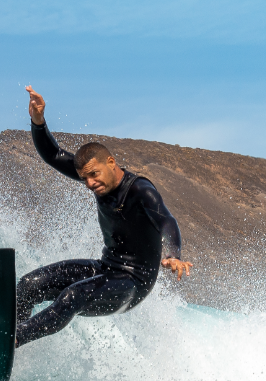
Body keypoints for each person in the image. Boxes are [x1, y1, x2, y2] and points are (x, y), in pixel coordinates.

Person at [14, 86, 193, 347]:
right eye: (84, 177)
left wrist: (173, 254)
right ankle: (9, 332)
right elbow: (52, 155)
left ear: (111, 162)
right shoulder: (97, 178)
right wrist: (38, 121)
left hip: (132, 283)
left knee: (72, 296)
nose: (89, 183)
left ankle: (15, 338)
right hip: (106, 268)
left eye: (94, 174)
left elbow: (167, 220)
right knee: (29, 284)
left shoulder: (141, 190)